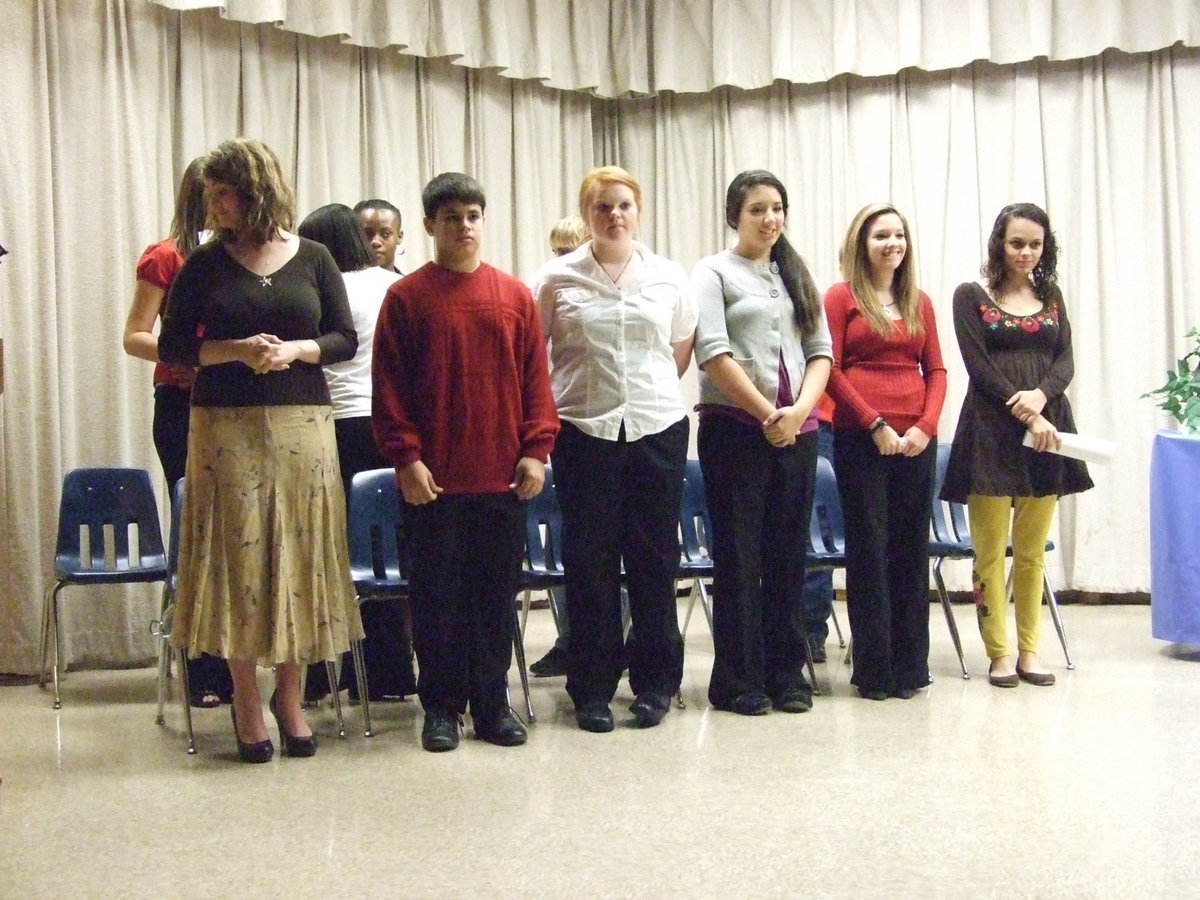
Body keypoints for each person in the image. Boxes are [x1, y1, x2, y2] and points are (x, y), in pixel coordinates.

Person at [159, 138, 363, 763]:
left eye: (224, 193)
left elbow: (343, 339)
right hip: (224, 425)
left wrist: (294, 351)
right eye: (210, 194)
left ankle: (291, 698)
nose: (213, 204)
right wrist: (237, 349)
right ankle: (248, 702)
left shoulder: (316, 257)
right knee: (238, 557)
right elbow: (172, 347)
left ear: (256, 192)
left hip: (304, 423)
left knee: (300, 550)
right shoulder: (202, 263)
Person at [372, 172, 559, 752]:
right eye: (451, 217)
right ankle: (442, 708)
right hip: (434, 481)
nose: (464, 226)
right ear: (429, 226)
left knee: (495, 595)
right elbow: (390, 387)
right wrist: (406, 458)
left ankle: (492, 704)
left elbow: (535, 379)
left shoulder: (513, 296)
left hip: (501, 477)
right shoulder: (405, 299)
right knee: (436, 598)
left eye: (473, 215)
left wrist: (536, 449)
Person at [531, 165, 697, 732]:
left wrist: (639, 395)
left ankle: (655, 684)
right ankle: (593, 689)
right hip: (583, 430)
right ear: (587, 215)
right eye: (602, 207)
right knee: (591, 561)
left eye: (624, 205)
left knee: (654, 560)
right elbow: (536, 354)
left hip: (656, 426)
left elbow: (677, 349)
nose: (614, 215)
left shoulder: (669, 276)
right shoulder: (556, 279)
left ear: (639, 210)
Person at [691, 170, 832, 715]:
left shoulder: (795, 273)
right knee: (738, 556)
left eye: (777, 208)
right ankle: (737, 680)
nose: (770, 218)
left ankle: (786, 674)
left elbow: (821, 351)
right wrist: (766, 412)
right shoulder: (713, 271)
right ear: (734, 216)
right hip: (734, 431)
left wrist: (798, 413)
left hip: (797, 433)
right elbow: (712, 351)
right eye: (757, 209)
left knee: (786, 557)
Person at [940, 202, 1092, 688]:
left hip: (1047, 436)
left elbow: (1065, 361)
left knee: (1031, 554)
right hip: (990, 435)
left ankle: (1030, 650)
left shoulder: (1052, 296)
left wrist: (1043, 399)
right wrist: (1025, 407)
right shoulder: (971, 295)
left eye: (1035, 244)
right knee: (988, 553)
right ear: (999, 244)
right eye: (1016, 243)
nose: (1026, 252)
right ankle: (998, 653)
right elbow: (977, 365)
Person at [121, 157, 233, 709]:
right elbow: (135, 336)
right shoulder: (167, 256)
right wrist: (190, 357)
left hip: (238, 403)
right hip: (183, 404)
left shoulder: (241, 257)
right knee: (198, 533)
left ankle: (237, 656)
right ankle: (203, 667)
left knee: (239, 534)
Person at [295, 203, 418, 705]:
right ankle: (390, 672)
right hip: (389, 425)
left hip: (334, 426)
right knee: (384, 553)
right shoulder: (393, 286)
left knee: (332, 554)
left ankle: (327, 674)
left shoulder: (323, 287)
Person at [823, 203, 946, 701]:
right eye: (881, 236)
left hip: (916, 441)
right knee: (870, 551)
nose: (892, 244)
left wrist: (926, 427)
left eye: (899, 235)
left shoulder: (920, 301)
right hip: (861, 438)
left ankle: (910, 668)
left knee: (910, 550)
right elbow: (829, 366)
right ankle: (874, 670)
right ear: (861, 243)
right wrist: (873, 423)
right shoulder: (839, 297)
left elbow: (936, 371)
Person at [528, 213, 591, 680]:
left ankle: (613, 639)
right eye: (557, 252)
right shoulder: (553, 287)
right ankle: (573, 639)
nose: (563, 260)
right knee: (575, 539)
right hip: (570, 419)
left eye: (571, 250)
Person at [802, 395, 836, 662]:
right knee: (816, 531)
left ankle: (812, 629)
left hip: (851, 419)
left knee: (822, 531)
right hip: (813, 415)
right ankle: (809, 629)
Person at [354, 199, 404, 273]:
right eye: (366, 234)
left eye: (386, 234)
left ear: (399, 236)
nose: (375, 242)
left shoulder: (411, 284)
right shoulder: (340, 284)